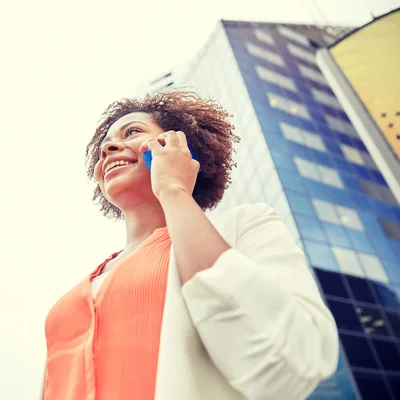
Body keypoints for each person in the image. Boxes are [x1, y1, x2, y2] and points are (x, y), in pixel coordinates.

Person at [42, 90, 339, 400]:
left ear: (179, 148)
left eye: (132, 131)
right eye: (104, 146)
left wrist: (172, 188)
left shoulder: (243, 226)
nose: (109, 147)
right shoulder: (78, 292)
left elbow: (296, 359)